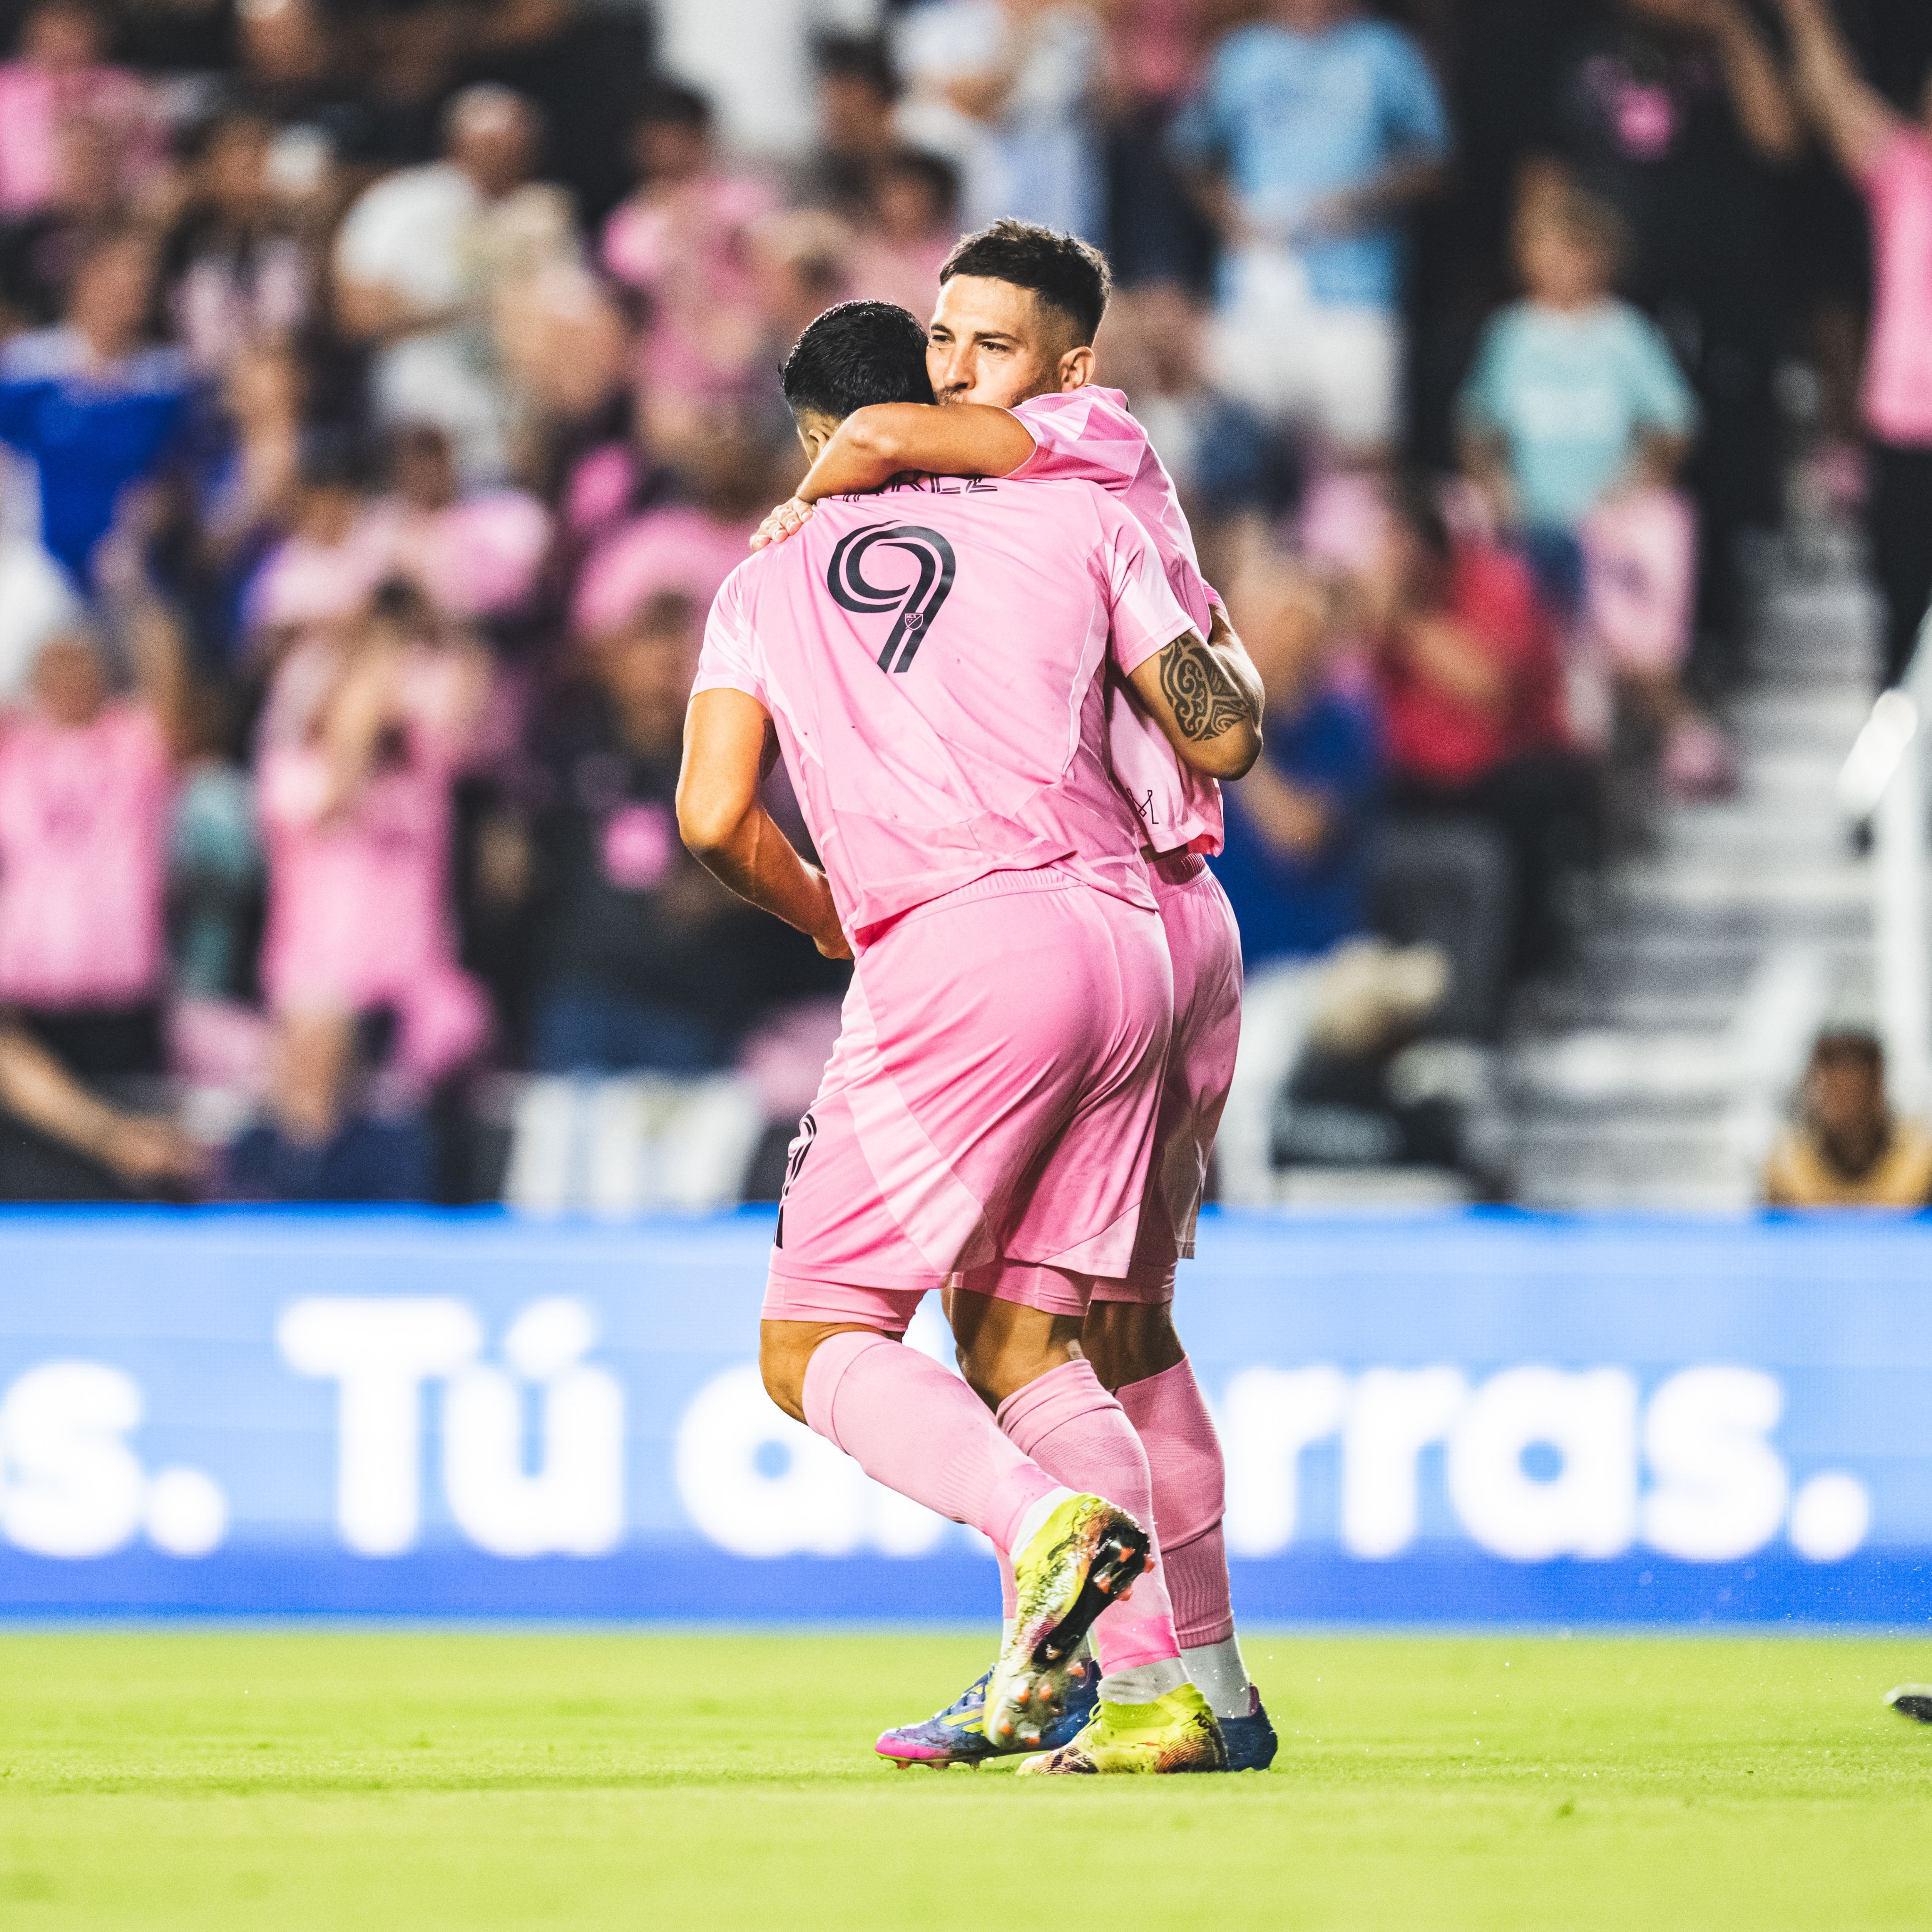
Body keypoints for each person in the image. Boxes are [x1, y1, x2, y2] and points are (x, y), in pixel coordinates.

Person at [681, 298, 1258, 1774]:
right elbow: (1216, 728)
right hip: (1138, 937)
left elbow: (713, 816)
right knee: (1029, 1335)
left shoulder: (767, 577)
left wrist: (825, 915)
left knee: (813, 1338)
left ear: (820, 437)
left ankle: (1041, 1522)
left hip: (962, 949)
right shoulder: (1079, 517)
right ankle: (1156, 1690)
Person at [1458, 174, 1725, 796]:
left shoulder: (1624, 335)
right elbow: (1478, 426)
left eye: (1571, 250)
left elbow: (1674, 425)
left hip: (1608, 532)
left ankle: (1682, 737)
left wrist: (1631, 487)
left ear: (1600, 257)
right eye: (1543, 249)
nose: (1558, 265)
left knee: (1624, 646)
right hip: (1533, 527)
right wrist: (1495, 487)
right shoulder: (1511, 336)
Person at [1169, 0, 1450, 459]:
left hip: (1355, 292)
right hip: (1253, 290)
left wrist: (1361, 199)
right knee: (1239, 457)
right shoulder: (1241, 54)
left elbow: (1434, 160)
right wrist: (1229, 215)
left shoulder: (1384, 52)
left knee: (1360, 460)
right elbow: (1190, 152)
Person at [1775, 0, 1932, 688]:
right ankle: (1897, 735)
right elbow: (1835, 97)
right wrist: (1806, 20)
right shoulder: (1904, 171)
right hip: (1904, 423)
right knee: (1900, 604)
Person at [333, 85, 574, 483]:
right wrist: (477, 306)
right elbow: (358, 313)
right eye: (489, 146)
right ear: (456, 143)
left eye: (514, 148)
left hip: (515, 437)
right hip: (422, 428)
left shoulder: (544, 215)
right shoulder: (399, 206)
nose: (501, 159)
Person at [0, 225, 189, 591]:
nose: (127, 298)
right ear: (84, 282)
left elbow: (165, 482)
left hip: (121, 568)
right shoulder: (28, 367)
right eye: (114, 283)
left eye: (138, 287)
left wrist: (135, 535)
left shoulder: (163, 382)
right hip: (33, 565)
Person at [1763, 1031, 1932, 1209]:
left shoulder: (1921, 1163)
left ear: (1877, 1092)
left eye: (1853, 1093)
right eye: (1832, 1093)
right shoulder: (1788, 1167)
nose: (1843, 1107)